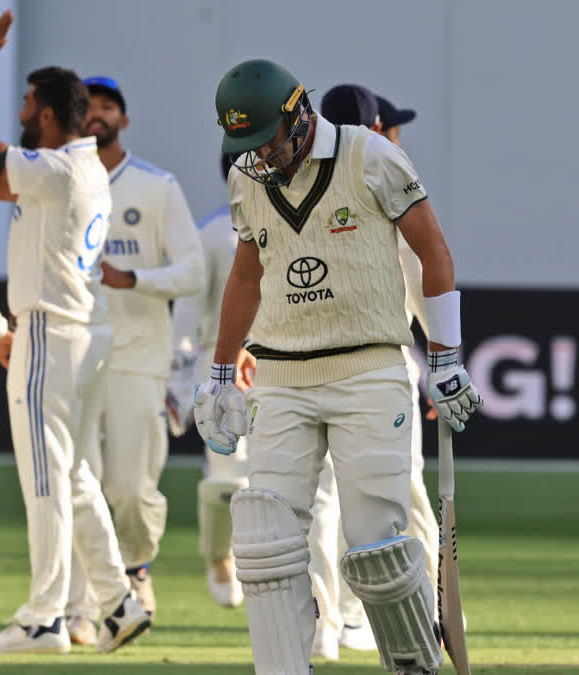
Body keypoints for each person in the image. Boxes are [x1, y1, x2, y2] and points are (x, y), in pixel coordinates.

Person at [194, 59, 482, 675]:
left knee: (377, 544)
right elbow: (247, 276)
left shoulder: (370, 156)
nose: (260, 155)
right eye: (245, 144)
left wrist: (447, 358)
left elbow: (434, 253)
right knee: (266, 541)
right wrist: (220, 374)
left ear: (299, 114)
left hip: (368, 371)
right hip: (280, 377)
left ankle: (412, 665)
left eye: (266, 137)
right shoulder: (248, 177)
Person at [0, 66, 151, 655]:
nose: (21, 112)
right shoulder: (79, 169)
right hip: (84, 331)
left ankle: (43, 619)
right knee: (72, 476)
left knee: (45, 480)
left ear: (46, 115)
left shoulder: (58, 167)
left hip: (52, 330)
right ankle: (118, 602)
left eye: (26, 104)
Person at [61, 75, 204, 640]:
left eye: (107, 106)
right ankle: (79, 605)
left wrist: (135, 278)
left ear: (122, 117)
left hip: (139, 359)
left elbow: (194, 270)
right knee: (77, 479)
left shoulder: (155, 185)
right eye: (88, 107)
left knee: (128, 488)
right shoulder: (63, 179)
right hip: (76, 351)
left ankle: (136, 564)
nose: (97, 114)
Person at [306, 83, 439, 658]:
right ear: (377, 131)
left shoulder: (302, 186)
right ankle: (420, 617)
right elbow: (422, 273)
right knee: (401, 500)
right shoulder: (387, 187)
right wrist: (443, 357)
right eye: (393, 129)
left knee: (323, 500)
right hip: (379, 368)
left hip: (310, 368)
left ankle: (327, 625)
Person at [168, 154, 249, 611]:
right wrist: (178, 380)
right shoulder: (214, 232)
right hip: (219, 369)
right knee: (227, 477)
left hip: (280, 369)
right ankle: (221, 557)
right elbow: (188, 310)